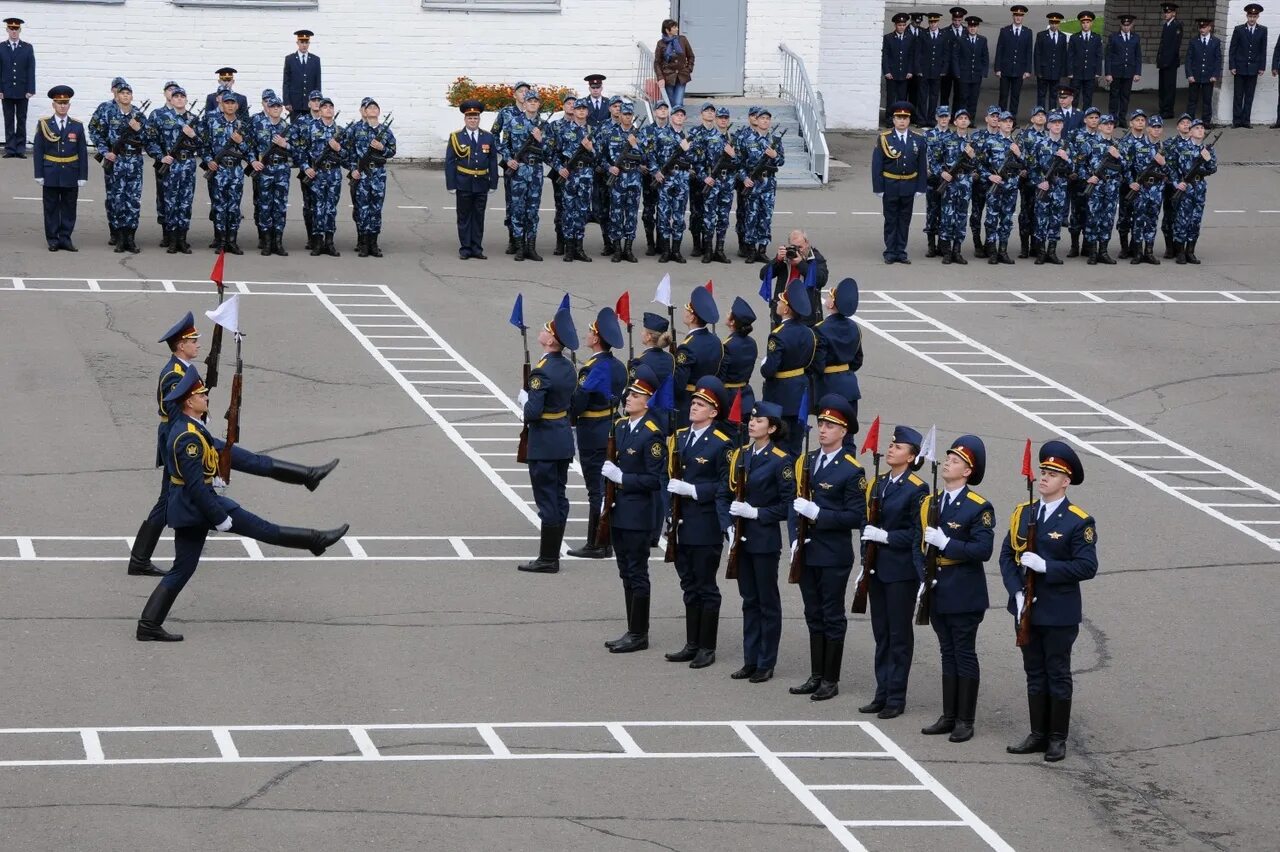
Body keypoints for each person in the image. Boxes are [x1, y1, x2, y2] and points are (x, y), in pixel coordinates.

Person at [136, 371, 348, 643]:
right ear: (188, 403)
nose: (206, 397)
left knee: (183, 569)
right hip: (198, 508)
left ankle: (148, 624)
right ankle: (315, 540)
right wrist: (220, 517)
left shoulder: (190, 427)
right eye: (200, 395)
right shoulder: (188, 438)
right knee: (263, 529)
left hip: (192, 509)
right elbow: (195, 486)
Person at [127, 311, 340, 578]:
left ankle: (139, 558)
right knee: (249, 461)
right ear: (181, 345)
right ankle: (306, 476)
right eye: (193, 340)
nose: (197, 343)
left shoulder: (182, 369)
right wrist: (192, 446)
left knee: (166, 501)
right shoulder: (174, 374)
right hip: (185, 442)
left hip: (189, 438)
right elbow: (175, 415)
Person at [1001, 440, 1098, 762]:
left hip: (1059, 611)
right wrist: (1016, 591)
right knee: (1034, 671)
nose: (1044, 477)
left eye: (1052, 473)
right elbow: (1007, 556)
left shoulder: (1078, 521)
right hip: (1027, 607)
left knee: (1057, 672)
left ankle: (1057, 737)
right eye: (1043, 471)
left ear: (1066, 481)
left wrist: (1048, 567)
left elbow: (1087, 566)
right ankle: (1037, 733)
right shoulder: (1024, 512)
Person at [914, 435, 994, 742]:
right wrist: (923, 572)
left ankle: (965, 719)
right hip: (937, 585)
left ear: (967, 472)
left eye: (956, 460)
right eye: (948, 458)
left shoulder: (978, 507)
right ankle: (948, 715)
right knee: (946, 651)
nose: (948, 462)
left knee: (963, 652)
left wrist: (947, 543)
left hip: (964, 589)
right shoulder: (931, 502)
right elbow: (916, 542)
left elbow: (982, 549)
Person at [789, 396, 867, 702]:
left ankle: (830, 679)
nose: (822, 429)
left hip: (833, 554)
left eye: (830, 425)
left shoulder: (851, 470)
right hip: (807, 551)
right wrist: (796, 535)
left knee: (832, 615)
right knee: (813, 613)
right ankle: (816, 674)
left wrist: (818, 514)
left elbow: (855, 516)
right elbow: (794, 504)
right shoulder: (806, 461)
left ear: (843, 431)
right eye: (821, 423)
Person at [858, 425, 929, 719]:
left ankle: (896, 696)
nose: (891, 449)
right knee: (882, 633)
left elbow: (916, 534)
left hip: (900, 572)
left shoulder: (917, 488)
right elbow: (867, 527)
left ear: (912, 457)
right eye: (891, 445)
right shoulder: (878, 483)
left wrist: (885, 537)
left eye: (898, 447)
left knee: (899, 635)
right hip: (877, 568)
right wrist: (865, 564)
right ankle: (882, 691)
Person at [599, 365, 668, 654]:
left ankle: (640, 633)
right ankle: (631, 629)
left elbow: (654, 480)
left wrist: (622, 479)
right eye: (630, 392)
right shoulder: (621, 426)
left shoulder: (652, 434)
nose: (629, 397)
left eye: (637, 394)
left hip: (638, 515)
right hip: (619, 511)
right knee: (625, 572)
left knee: (637, 573)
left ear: (648, 401)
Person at [664, 377, 733, 669]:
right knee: (688, 584)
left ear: (714, 412)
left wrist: (693, 491)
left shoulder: (722, 444)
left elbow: (725, 486)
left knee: (706, 586)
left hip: (704, 525)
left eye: (701, 404)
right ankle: (691, 643)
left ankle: (707, 646)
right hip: (680, 524)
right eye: (693, 402)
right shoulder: (678, 438)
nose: (694, 407)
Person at [727, 401, 796, 684]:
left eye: (759, 420)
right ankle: (750, 659)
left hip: (764, 539)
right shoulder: (741, 454)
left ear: (773, 428)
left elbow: (787, 505)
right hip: (742, 538)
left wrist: (757, 513)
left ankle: (766, 662)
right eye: (751, 419)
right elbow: (728, 490)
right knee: (749, 600)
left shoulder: (781, 460)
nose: (752, 423)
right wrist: (729, 524)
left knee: (767, 602)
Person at [517, 303, 578, 574]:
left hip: (544, 443)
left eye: (545, 329)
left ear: (551, 340)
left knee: (547, 500)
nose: (541, 331)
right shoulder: (567, 367)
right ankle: (552, 554)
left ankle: (548, 558)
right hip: (562, 439)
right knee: (559, 496)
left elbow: (533, 412)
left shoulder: (541, 371)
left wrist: (525, 398)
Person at [566, 308, 628, 561]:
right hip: (611, 426)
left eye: (591, 332)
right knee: (608, 485)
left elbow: (579, 403)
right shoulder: (618, 366)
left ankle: (597, 543)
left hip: (592, 432)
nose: (587, 334)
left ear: (596, 339)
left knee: (596, 488)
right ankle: (607, 540)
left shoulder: (590, 369)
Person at [88, 79, 148, 254]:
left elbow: (150, 139)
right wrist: (105, 151)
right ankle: (119, 236)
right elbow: (95, 130)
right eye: (122, 93)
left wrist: (139, 130)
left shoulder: (139, 115)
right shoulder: (107, 111)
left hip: (135, 162)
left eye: (128, 93)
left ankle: (131, 237)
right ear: (116, 95)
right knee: (116, 199)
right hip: (116, 162)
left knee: (133, 201)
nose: (125, 96)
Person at [760, 280, 816, 458]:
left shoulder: (778, 335)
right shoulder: (809, 332)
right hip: (800, 390)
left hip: (780, 393)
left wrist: (764, 364)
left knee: (779, 444)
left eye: (781, 301)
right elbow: (809, 362)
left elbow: (769, 370)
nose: (777, 303)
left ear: (786, 310)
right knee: (795, 444)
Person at [146, 86, 201, 255]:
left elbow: (204, 143)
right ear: (171, 98)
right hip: (171, 165)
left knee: (185, 203)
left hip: (188, 165)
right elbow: (150, 139)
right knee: (170, 202)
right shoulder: (162, 117)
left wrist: (192, 135)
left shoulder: (194, 119)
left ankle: (182, 239)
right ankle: (171, 239)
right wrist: (161, 156)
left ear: (186, 99)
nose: (179, 99)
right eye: (175, 96)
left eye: (182, 96)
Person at [32, 85, 86, 252]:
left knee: (69, 208)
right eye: (59, 102)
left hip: (71, 171)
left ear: (69, 105)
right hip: (51, 172)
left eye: (65, 103)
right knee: (51, 208)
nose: (62, 106)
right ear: (53, 105)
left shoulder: (77, 126)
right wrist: (39, 173)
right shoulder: (44, 124)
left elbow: (82, 152)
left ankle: (66, 238)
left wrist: (82, 175)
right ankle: (53, 239)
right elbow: (38, 150)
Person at [873, 101, 928, 264]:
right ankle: (890, 251)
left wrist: (921, 187)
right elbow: (877, 164)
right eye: (899, 118)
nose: (902, 121)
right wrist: (878, 187)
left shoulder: (917, 139)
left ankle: (901, 251)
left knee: (904, 220)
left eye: (905, 118)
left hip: (909, 186)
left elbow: (921, 165)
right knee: (890, 219)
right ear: (894, 120)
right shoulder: (884, 138)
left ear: (909, 120)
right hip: (890, 184)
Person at [445, 99, 499, 261]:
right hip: (463, 182)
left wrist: (493, 182)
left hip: (481, 183)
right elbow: (450, 162)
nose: (473, 120)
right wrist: (451, 184)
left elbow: (492, 161)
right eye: (470, 118)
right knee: (464, 217)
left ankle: (477, 248)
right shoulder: (456, 137)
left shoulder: (488, 137)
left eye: (475, 118)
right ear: (465, 119)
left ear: (479, 119)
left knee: (478, 216)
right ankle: (465, 248)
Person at [344, 96, 396, 258]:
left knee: (376, 209)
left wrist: (382, 148)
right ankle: (363, 243)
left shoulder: (385, 131)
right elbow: (347, 151)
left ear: (379, 111)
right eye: (369, 107)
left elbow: (392, 150)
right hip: (362, 175)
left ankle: (374, 243)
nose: (373, 110)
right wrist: (353, 169)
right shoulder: (355, 129)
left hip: (378, 175)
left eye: (375, 107)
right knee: (362, 209)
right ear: (364, 112)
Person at [501, 90, 549, 262]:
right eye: (530, 101)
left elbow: (550, 153)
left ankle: (531, 247)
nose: (533, 104)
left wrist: (540, 139)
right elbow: (503, 145)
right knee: (518, 209)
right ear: (524, 103)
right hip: (519, 171)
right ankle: (520, 247)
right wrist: (508, 160)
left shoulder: (544, 126)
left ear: (539, 104)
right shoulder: (513, 122)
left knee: (533, 211)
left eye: (536, 102)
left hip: (535, 172)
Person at [811, 278, 862, 435]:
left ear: (832, 304)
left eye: (829, 296)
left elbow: (818, 364)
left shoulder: (820, 329)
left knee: (829, 434)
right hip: (849, 385)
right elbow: (857, 360)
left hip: (828, 386)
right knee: (847, 433)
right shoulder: (855, 328)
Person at [203, 90, 252, 255]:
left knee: (234, 207)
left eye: (233, 103)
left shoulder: (243, 126)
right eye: (227, 103)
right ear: (221, 105)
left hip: (236, 171)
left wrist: (241, 142)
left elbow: (249, 151)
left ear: (237, 106)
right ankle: (221, 241)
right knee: (219, 206)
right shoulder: (213, 123)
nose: (230, 106)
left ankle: (232, 241)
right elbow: (205, 146)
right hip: (218, 170)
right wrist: (209, 160)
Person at [296, 96, 345, 257]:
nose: (328, 109)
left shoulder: (340, 131)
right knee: (317, 208)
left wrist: (338, 148)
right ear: (320, 110)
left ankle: (329, 242)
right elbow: (301, 150)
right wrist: (306, 167)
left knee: (331, 209)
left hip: (334, 174)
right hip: (317, 174)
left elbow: (348, 156)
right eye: (325, 107)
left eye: (331, 107)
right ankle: (317, 242)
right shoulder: (310, 128)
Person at [599, 101, 646, 263]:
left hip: (633, 177)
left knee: (631, 215)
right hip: (618, 179)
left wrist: (635, 145)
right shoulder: (610, 133)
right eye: (624, 114)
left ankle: (628, 248)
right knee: (616, 214)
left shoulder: (639, 135)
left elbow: (646, 158)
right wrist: (609, 168)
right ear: (619, 116)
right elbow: (600, 157)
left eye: (629, 115)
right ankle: (617, 249)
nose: (627, 117)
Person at [737, 106, 785, 263]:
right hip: (753, 183)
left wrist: (775, 155)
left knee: (766, 216)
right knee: (751, 216)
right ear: (755, 120)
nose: (765, 121)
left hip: (768, 183)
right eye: (762, 118)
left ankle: (762, 250)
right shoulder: (746, 139)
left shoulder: (774, 140)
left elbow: (781, 161)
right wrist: (744, 178)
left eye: (767, 118)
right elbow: (738, 162)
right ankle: (751, 250)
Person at [246, 93, 292, 257]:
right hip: (264, 171)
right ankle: (266, 242)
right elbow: (249, 145)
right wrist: (253, 161)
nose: (276, 109)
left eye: (278, 106)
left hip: (281, 171)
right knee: (265, 206)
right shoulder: (259, 125)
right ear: (267, 108)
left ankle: (277, 242)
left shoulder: (287, 128)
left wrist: (285, 144)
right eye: (272, 106)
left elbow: (298, 151)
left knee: (279, 207)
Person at [673, 285, 723, 429]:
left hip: (688, 402)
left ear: (692, 317)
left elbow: (678, 384)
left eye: (687, 310)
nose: (685, 312)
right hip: (709, 398)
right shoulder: (716, 341)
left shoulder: (687, 346)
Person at [550, 98, 593, 263]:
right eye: (578, 108)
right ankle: (568, 249)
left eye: (584, 109)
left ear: (587, 112)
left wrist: (591, 149)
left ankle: (579, 248)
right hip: (569, 176)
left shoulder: (592, 131)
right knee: (568, 212)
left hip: (586, 176)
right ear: (573, 111)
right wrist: (559, 168)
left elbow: (601, 158)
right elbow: (551, 152)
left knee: (582, 212)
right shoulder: (563, 130)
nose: (581, 111)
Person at [1119, 110, 1164, 265]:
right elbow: (1127, 167)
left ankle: (1149, 252)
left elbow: (1171, 171)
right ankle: (1137, 252)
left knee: (1152, 220)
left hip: (1156, 189)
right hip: (1141, 188)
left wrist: (1164, 164)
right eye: (1154, 127)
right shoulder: (1137, 146)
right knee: (1138, 220)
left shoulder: (1163, 148)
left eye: (1159, 127)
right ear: (1148, 129)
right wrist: (1132, 182)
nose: (1157, 129)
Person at [759, 229, 828, 326]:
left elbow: (821, 280)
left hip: (807, 315)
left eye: (800, 247)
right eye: (794, 247)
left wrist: (801, 264)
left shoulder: (815, 259)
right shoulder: (785, 258)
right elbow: (763, 276)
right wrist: (777, 260)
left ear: (807, 243)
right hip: (783, 313)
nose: (798, 251)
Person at [978, 110, 1021, 264]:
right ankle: (992, 250)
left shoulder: (1016, 143)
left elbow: (1027, 166)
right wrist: (989, 176)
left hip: (1011, 188)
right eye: (1005, 121)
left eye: (1010, 122)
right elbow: (979, 165)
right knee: (991, 219)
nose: (1008, 124)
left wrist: (1019, 154)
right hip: (995, 187)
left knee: (1007, 220)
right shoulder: (990, 142)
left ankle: (1003, 250)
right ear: (999, 124)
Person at [1171, 118, 1216, 264]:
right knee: (1182, 220)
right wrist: (1176, 183)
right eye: (1197, 128)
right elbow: (1171, 167)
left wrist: (1208, 159)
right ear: (1190, 132)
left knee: (1195, 220)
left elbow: (1213, 169)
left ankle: (1190, 251)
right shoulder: (1181, 148)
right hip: (1185, 187)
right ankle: (1180, 252)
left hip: (1199, 187)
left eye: (1202, 128)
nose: (1201, 130)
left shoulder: (1207, 149)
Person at [652, 103, 693, 262]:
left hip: (682, 179)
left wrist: (687, 150)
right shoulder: (661, 134)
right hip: (666, 179)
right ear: (671, 116)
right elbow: (651, 154)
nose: (679, 117)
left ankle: (676, 250)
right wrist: (656, 171)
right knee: (663, 215)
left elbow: (695, 159)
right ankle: (665, 250)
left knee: (679, 216)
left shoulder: (688, 138)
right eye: (676, 114)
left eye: (682, 115)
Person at [697, 106, 737, 264]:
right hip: (712, 182)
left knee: (723, 218)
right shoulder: (707, 137)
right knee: (709, 217)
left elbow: (740, 163)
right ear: (715, 119)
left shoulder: (733, 139)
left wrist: (733, 155)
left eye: (726, 118)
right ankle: (708, 251)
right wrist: (704, 177)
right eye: (720, 117)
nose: (723, 120)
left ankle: (719, 250)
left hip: (727, 183)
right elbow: (698, 161)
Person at [1029, 111, 1070, 264]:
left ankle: (1052, 251)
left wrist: (1067, 159)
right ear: (1049, 125)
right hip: (1044, 187)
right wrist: (1039, 181)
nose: (1057, 125)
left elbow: (1073, 170)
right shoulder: (1040, 144)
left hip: (1059, 187)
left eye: (1060, 123)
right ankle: (1041, 252)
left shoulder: (1066, 145)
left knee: (1056, 219)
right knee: (1041, 219)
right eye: (1054, 123)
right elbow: (1032, 166)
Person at [936, 107, 974, 264]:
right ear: (955, 121)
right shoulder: (946, 139)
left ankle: (957, 250)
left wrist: (973, 157)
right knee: (947, 217)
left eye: (966, 118)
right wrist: (942, 172)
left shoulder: (973, 142)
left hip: (965, 183)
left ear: (969, 122)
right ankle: (946, 251)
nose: (963, 121)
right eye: (961, 118)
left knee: (961, 217)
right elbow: (935, 160)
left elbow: (980, 165)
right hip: (950, 183)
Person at [1084, 114, 1123, 264]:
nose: (1109, 126)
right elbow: (1079, 164)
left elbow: (1126, 166)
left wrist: (1118, 156)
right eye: (1105, 124)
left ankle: (1103, 251)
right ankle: (1092, 252)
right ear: (1099, 126)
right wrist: (1088, 177)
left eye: (1111, 124)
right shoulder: (1090, 143)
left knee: (1108, 219)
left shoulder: (1118, 144)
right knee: (1093, 218)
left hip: (1112, 187)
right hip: (1096, 186)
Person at [718, 296, 758, 417]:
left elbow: (721, 376)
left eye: (729, 312)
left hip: (729, 398)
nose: (727, 313)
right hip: (746, 396)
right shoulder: (752, 342)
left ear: (732, 322)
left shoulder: (727, 346)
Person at [1229, 4, 1267, 128]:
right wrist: (1232, 66)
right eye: (1250, 16)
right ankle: (1237, 120)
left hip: (1253, 68)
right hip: (1239, 67)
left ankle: (1246, 120)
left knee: (1249, 95)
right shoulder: (1239, 29)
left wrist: (1262, 67)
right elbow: (1233, 49)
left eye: (1254, 16)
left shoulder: (1262, 30)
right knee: (1238, 95)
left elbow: (1263, 50)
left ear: (1258, 17)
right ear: (1246, 16)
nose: (1252, 19)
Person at [3, 18, 36, 158]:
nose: (14, 31)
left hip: (23, 91)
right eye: (11, 28)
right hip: (6, 91)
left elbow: (31, 69)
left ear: (20, 30)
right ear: (7, 30)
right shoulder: (1, 47)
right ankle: (10, 149)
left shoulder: (27, 47)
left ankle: (20, 149)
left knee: (21, 120)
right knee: (8, 119)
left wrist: (31, 89)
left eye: (16, 29)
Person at [924, 106, 954, 257]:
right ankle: (931, 245)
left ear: (949, 118)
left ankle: (943, 244)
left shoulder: (953, 136)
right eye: (941, 116)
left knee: (945, 213)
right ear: (936, 117)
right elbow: (923, 156)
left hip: (948, 180)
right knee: (932, 211)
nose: (943, 119)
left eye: (946, 116)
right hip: (932, 179)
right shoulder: (928, 135)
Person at [994, 5, 1033, 119]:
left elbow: (1028, 52)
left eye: (1020, 16)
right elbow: (999, 49)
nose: (1018, 18)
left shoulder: (1027, 32)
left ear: (1023, 17)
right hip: (1005, 69)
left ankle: (1012, 118)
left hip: (1019, 70)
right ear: (1013, 16)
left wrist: (1028, 70)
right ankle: (1001, 117)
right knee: (1003, 95)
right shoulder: (1005, 31)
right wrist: (997, 68)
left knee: (1015, 96)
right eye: (1016, 15)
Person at [638, 100, 667, 256]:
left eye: (665, 109)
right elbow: (640, 152)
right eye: (659, 109)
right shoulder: (646, 131)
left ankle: (662, 243)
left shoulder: (673, 131)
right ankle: (650, 243)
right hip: (649, 177)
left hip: (666, 180)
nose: (662, 111)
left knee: (664, 211)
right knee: (649, 211)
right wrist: (642, 166)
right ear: (655, 112)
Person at [1106, 15, 1142, 128]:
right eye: (1124, 25)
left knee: (1125, 96)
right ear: (1121, 25)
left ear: (1132, 25)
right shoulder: (1114, 37)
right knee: (1114, 96)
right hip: (1116, 71)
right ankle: (1113, 119)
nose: (1126, 27)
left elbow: (1138, 56)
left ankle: (1122, 118)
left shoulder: (1135, 38)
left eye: (1128, 25)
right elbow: (1108, 56)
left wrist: (1137, 72)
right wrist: (1108, 73)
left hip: (1128, 71)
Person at [1185, 19, 1222, 125]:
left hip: (1208, 75)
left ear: (1209, 28)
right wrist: (1189, 74)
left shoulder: (1215, 41)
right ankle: (1189, 121)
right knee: (1192, 100)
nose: (1202, 30)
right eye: (1200, 28)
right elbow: (1189, 59)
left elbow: (1217, 60)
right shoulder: (1194, 41)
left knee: (1207, 100)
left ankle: (1206, 121)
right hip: (1195, 75)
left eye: (1204, 27)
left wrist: (1215, 74)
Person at [883, 13, 919, 119]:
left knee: (901, 98)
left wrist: (910, 70)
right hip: (892, 74)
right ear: (895, 25)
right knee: (890, 98)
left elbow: (912, 55)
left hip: (904, 74)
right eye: (899, 25)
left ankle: (900, 118)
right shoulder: (888, 38)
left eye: (903, 25)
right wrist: (887, 71)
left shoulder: (910, 38)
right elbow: (885, 56)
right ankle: (889, 119)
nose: (901, 27)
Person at [952, 15, 988, 119]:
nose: (972, 28)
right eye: (971, 26)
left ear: (978, 28)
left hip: (976, 74)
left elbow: (985, 56)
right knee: (963, 98)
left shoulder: (982, 40)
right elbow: (956, 57)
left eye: (975, 26)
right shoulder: (961, 40)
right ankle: (962, 119)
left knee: (973, 98)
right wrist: (957, 72)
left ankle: (971, 119)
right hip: (964, 74)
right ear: (967, 27)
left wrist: (983, 72)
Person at [654, 18, 694, 109]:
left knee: (678, 103)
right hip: (668, 77)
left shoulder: (682, 40)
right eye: (674, 27)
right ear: (667, 30)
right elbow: (657, 63)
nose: (677, 29)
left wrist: (689, 69)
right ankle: (672, 122)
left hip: (682, 76)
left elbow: (691, 56)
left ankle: (678, 121)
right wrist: (660, 77)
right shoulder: (661, 44)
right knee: (671, 104)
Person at [1034, 12, 1070, 111]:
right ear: (1049, 23)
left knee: (1054, 95)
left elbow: (1063, 55)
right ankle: (1040, 114)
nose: (1054, 25)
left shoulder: (1062, 36)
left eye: (1056, 23)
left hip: (1056, 71)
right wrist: (1038, 71)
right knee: (1041, 95)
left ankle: (1052, 114)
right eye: (1052, 22)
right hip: (1044, 70)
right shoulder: (1041, 35)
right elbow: (1037, 54)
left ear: (1059, 23)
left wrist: (1063, 72)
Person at [1068, 11, 1104, 110]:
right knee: (1074, 97)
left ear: (1091, 23)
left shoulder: (1096, 38)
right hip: (1076, 72)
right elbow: (1070, 55)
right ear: (1080, 23)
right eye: (1083, 22)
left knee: (1088, 97)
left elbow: (1098, 55)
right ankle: (1074, 117)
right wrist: (1070, 71)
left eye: (1087, 22)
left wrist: (1098, 71)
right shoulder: (1074, 37)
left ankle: (1085, 118)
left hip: (1090, 72)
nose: (1085, 25)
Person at [917, 13, 949, 125]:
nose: (933, 24)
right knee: (922, 96)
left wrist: (943, 69)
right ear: (928, 22)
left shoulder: (943, 35)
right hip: (924, 70)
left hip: (937, 71)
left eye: (935, 22)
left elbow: (946, 53)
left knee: (934, 96)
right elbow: (918, 52)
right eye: (931, 22)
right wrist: (919, 69)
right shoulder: (923, 34)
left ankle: (931, 119)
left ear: (938, 22)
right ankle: (921, 119)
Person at [282, 29, 321, 116]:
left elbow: (317, 83)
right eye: (302, 42)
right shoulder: (290, 59)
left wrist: (318, 101)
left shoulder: (315, 60)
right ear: (297, 43)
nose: (304, 45)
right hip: (294, 104)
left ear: (309, 43)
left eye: (306, 42)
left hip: (310, 104)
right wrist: (287, 101)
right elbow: (286, 82)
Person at [1157, 4, 1184, 121]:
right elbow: (1163, 45)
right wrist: (1160, 60)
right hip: (1163, 61)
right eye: (1165, 12)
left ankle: (1168, 110)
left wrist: (1167, 62)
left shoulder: (1176, 26)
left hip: (1170, 62)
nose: (1166, 14)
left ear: (1174, 13)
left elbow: (1174, 46)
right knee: (1162, 86)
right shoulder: (1167, 25)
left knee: (1169, 87)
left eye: (1168, 12)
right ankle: (1163, 108)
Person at [940, 7, 969, 112]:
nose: (957, 22)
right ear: (952, 19)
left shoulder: (966, 31)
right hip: (947, 69)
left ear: (962, 20)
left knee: (959, 94)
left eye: (959, 20)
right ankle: (944, 114)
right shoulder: (944, 32)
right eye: (955, 20)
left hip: (961, 69)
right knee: (944, 94)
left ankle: (955, 116)